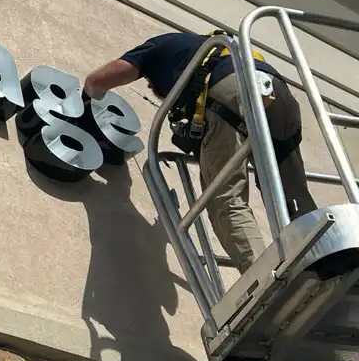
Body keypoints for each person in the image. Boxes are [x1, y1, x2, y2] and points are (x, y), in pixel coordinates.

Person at [83, 31, 316, 274]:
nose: (151, 87)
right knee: (291, 193)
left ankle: (267, 279)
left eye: (151, 84)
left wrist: (85, 104)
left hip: (231, 93)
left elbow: (97, 81)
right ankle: (323, 260)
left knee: (225, 199)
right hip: (277, 91)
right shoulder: (204, 48)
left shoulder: (155, 48)